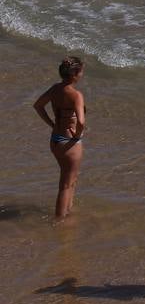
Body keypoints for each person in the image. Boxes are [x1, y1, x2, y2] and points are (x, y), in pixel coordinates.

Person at [32, 56, 87, 220]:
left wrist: (51, 123)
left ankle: (68, 211)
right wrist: (77, 135)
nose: (82, 74)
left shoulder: (55, 89)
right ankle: (60, 222)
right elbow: (81, 122)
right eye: (81, 71)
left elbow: (38, 105)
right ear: (75, 74)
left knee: (71, 179)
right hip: (69, 143)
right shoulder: (76, 95)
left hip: (55, 138)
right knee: (65, 184)